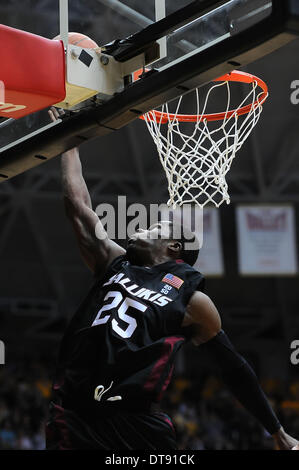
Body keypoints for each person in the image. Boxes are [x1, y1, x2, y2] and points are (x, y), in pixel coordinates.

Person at [46, 108, 299, 451]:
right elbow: (78, 206)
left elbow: (234, 369)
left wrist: (277, 431)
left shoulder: (193, 302)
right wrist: (69, 143)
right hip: (75, 415)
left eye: (153, 227)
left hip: (136, 423)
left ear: (173, 246)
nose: (139, 228)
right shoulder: (114, 263)